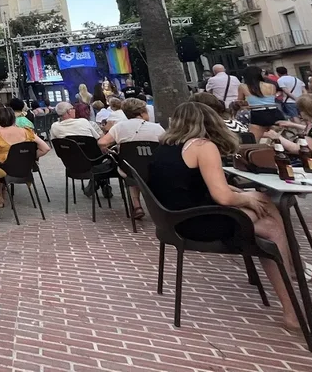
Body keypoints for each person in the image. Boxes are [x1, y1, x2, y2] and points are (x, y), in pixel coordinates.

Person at [147, 102, 301, 332]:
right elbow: (223, 198)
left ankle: (288, 272)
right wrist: (246, 199)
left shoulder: (165, 148)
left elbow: (186, 184)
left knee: (264, 206)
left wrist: (239, 193)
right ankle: (291, 296)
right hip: (199, 222)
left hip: (172, 220)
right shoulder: (202, 145)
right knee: (270, 222)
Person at [98, 98, 165, 219]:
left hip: (129, 169)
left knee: (132, 169)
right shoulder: (157, 128)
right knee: (143, 166)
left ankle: (137, 206)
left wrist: (109, 148)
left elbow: (102, 142)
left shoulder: (119, 127)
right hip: (154, 169)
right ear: (142, 112)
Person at [0, 106, 50, 183]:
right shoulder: (27, 131)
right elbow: (46, 148)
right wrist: (29, 157)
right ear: (14, 118)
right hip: (25, 169)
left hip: (5, 171)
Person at [238, 65, 283, 141]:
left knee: (254, 140)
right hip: (274, 112)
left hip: (257, 114)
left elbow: (240, 101)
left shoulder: (243, 86)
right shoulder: (271, 86)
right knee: (279, 138)